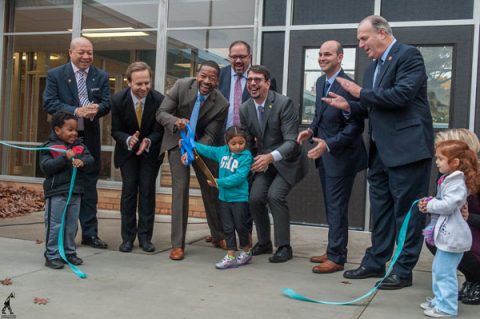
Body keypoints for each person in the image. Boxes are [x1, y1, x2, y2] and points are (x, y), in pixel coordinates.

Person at [323, 15, 434, 289]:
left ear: (382, 33)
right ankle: (375, 262)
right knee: (381, 210)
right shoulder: (371, 68)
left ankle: (402, 269)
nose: (360, 45)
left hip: (408, 150)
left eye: (364, 38)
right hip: (380, 152)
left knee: (407, 212)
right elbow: (371, 107)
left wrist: (360, 94)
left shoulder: (409, 56)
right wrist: (348, 105)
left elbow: (401, 95)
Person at [296, 40, 367, 273]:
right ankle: (332, 248)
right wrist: (311, 131)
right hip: (325, 156)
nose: (322, 58)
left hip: (341, 157)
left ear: (340, 57)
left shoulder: (348, 86)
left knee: (337, 207)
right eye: (320, 54)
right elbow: (319, 116)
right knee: (331, 205)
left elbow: (355, 127)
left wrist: (329, 145)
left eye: (328, 54)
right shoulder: (320, 82)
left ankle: (337, 258)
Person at [43, 37, 111, 249]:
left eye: (89, 52)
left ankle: (90, 234)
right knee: (63, 185)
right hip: (62, 139)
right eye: (81, 52)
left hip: (88, 137)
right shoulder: (56, 75)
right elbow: (49, 103)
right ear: (70, 53)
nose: (86, 56)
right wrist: (75, 111)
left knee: (89, 186)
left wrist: (96, 109)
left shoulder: (101, 76)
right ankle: (61, 236)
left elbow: (107, 103)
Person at [156, 61, 228, 261]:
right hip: (176, 142)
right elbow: (161, 113)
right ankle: (177, 244)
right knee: (181, 189)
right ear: (197, 75)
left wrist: (194, 149)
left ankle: (218, 235)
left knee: (212, 187)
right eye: (203, 76)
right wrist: (175, 122)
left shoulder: (222, 103)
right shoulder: (181, 86)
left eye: (212, 78)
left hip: (202, 146)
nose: (206, 81)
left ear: (217, 81)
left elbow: (212, 134)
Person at [240, 65, 308, 263]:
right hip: (264, 162)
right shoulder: (245, 108)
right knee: (254, 198)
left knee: (275, 196)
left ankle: (284, 246)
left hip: (288, 161)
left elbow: (291, 141)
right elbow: (248, 140)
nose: (253, 83)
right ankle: (264, 242)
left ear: (267, 83)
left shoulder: (283, 103)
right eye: (249, 79)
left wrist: (270, 157)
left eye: (258, 80)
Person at [418, 140, 478, 317]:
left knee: (445, 273)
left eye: (441, 159)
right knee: (439, 270)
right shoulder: (449, 180)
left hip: (454, 236)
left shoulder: (457, 182)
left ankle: (447, 307)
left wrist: (431, 205)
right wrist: (431, 203)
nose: (437, 161)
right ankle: (440, 300)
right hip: (447, 235)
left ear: (455, 163)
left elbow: (449, 204)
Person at [111, 62, 164, 253]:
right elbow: (115, 130)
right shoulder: (117, 100)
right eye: (138, 84)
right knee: (129, 193)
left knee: (147, 193)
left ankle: (145, 238)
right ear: (129, 83)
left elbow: (160, 129)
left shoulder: (159, 99)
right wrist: (127, 139)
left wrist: (148, 141)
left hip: (150, 153)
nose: (143, 88)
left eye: (147, 83)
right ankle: (127, 238)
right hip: (128, 153)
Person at [184, 126, 253, 269]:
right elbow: (207, 150)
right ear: (227, 142)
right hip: (224, 198)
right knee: (227, 227)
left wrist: (218, 182)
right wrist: (188, 143)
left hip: (239, 199)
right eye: (233, 143)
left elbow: (239, 177)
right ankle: (230, 255)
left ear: (245, 142)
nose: (238, 147)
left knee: (241, 226)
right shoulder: (221, 151)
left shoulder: (246, 157)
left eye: (241, 143)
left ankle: (246, 251)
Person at [39, 112, 94, 269]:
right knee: (55, 224)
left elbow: (91, 160)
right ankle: (52, 255)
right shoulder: (49, 146)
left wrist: (81, 161)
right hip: (56, 193)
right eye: (70, 129)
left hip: (75, 192)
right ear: (57, 130)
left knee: (71, 225)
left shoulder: (80, 146)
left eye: (76, 130)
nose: (74, 133)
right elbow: (46, 167)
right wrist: (64, 158)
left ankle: (69, 252)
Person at [218, 40, 277, 130]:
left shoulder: (264, 78)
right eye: (234, 57)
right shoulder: (218, 76)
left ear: (250, 57)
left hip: (252, 138)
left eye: (242, 57)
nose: (238, 61)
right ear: (229, 57)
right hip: (222, 139)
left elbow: (271, 111)